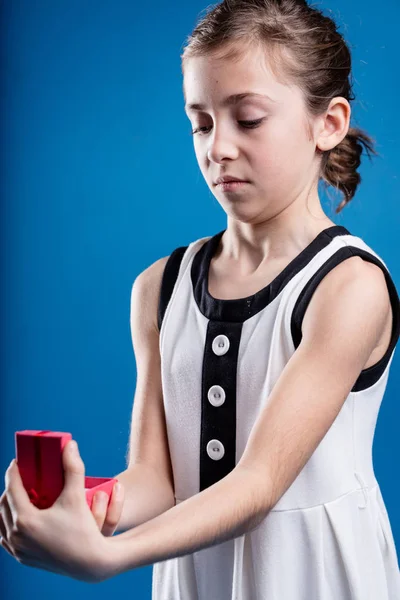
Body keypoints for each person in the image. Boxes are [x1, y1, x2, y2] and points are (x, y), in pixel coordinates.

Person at [1, 0, 399, 596]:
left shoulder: (349, 286)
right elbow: (158, 481)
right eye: (202, 122)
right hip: (195, 577)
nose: (218, 148)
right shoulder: (158, 288)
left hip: (313, 575)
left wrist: (109, 558)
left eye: (249, 119)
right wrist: (86, 503)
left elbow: (260, 482)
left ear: (329, 123)